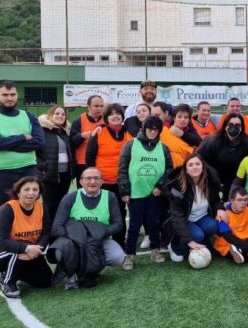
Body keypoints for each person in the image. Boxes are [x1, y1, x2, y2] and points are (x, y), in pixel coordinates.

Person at [50, 168, 126, 290]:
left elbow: (118, 224)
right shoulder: (70, 198)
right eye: (88, 178)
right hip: (74, 241)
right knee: (59, 252)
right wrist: (79, 239)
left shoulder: (110, 196)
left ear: (102, 181)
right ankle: (73, 273)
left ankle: (94, 267)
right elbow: (57, 227)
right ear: (80, 181)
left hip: (100, 239)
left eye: (96, 178)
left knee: (118, 257)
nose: (92, 181)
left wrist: (98, 234)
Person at [0, 79, 44, 223]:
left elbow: (39, 142)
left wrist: (6, 143)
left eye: (13, 94)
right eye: (5, 95)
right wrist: (22, 137)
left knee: (30, 211)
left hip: (28, 170)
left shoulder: (29, 116)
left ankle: (28, 244)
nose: (10, 98)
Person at [117, 116, 173, 269]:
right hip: (135, 194)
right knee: (134, 225)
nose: (152, 133)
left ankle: (155, 250)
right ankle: (130, 255)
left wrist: (160, 187)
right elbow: (122, 169)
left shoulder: (164, 148)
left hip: (154, 193)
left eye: (156, 130)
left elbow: (169, 170)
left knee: (154, 223)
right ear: (143, 129)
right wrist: (124, 191)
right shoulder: (130, 145)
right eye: (149, 129)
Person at [0, 176, 52, 299]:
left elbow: (46, 233)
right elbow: (2, 242)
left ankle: (16, 270)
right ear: (18, 192)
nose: (31, 193)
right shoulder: (7, 209)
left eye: (35, 190)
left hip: (28, 249)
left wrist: (37, 250)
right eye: (26, 189)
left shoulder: (41, 207)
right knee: (18, 250)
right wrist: (26, 247)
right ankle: (7, 282)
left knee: (45, 281)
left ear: (39, 192)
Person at [85, 103, 133, 247]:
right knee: (103, 214)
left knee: (120, 213)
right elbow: (89, 158)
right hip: (104, 182)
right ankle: (97, 239)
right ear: (106, 118)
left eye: (118, 113)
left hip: (124, 181)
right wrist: (92, 180)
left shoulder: (129, 132)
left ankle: (120, 241)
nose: (115, 116)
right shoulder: (99, 132)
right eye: (111, 114)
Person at [167, 153, 227, 261]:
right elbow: (177, 216)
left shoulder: (209, 181)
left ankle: (200, 243)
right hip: (185, 220)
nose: (194, 167)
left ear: (203, 166)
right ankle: (175, 247)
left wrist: (220, 209)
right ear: (186, 169)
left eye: (197, 164)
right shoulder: (178, 187)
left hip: (201, 217)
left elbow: (215, 200)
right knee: (198, 235)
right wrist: (189, 240)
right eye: (190, 165)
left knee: (213, 225)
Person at [198, 112, 248, 201]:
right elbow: (200, 160)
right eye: (230, 124)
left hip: (236, 183)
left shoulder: (247, 143)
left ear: (241, 127)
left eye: (237, 125)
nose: (234, 127)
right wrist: (213, 178)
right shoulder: (212, 141)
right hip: (215, 182)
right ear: (225, 126)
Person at [36, 105, 74, 223]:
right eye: (57, 113)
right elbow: (35, 150)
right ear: (50, 115)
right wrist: (43, 166)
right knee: (49, 205)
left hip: (65, 175)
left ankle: (58, 229)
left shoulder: (65, 132)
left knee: (61, 203)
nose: (60, 116)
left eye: (63, 114)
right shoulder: (42, 130)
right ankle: (47, 232)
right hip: (49, 174)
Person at [213, 187, 248, 264]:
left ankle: (241, 251)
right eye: (239, 200)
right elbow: (228, 236)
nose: (243, 203)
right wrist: (247, 248)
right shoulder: (224, 214)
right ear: (232, 201)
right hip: (229, 244)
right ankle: (241, 251)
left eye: (245, 200)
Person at [69, 95, 104, 183]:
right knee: (84, 191)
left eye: (101, 106)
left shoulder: (106, 121)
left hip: (102, 162)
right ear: (88, 106)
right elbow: (72, 142)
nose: (99, 108)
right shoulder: (79, 120)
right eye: (96, 106)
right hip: (82, 163)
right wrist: (82, 136)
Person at [159, 103, 200, 170]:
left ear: (189, 119)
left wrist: (182, 134)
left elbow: (199, 142)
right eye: (179, 117)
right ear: (174, 118)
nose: (182, 120)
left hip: (184, 170)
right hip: (165, 169)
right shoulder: (163, 131)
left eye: (186, 117)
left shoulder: (190, 132)